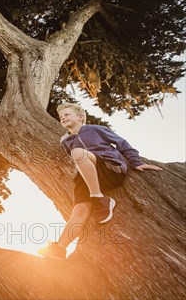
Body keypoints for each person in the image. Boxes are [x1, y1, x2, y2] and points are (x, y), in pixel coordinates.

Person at [37, 102, 162, 260]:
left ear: (81, 117)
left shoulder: (96, 129)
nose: (63, 118)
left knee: (78, 153)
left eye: (67, 114)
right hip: (87, 177)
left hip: (110, 168)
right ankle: (60, 248)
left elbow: (122, 143)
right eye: (61, 117)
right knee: (79, 211)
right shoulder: (64, 141)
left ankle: (99, 198)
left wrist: (137, 162)